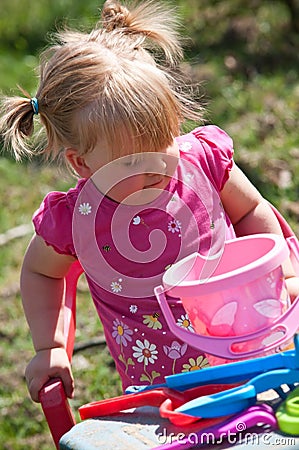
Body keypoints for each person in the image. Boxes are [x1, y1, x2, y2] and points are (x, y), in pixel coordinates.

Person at [1, 0, 298, 404]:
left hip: (253, 352)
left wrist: (280, 269)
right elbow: (42, 273)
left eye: (166, 142)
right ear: (81, 162)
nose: (161, 167)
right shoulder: (76, 220)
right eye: (136, 162)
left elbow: (250, 210)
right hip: (161, 389)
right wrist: (49, 346)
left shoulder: (203, 162)